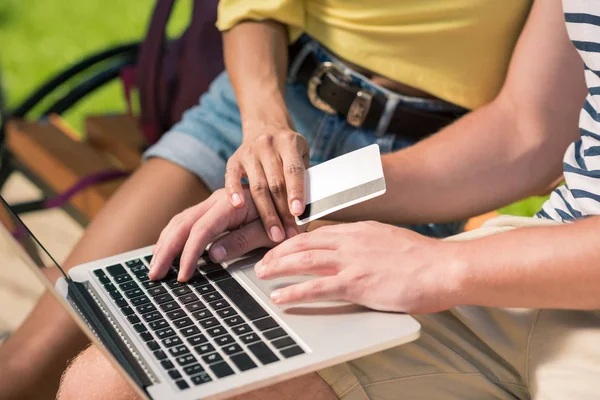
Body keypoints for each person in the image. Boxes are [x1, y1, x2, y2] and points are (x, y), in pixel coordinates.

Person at [58, 0, 600, 398]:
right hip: (531, 261)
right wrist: (307, 194)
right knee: (106, 384)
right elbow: (526, 134)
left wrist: (444, 263)